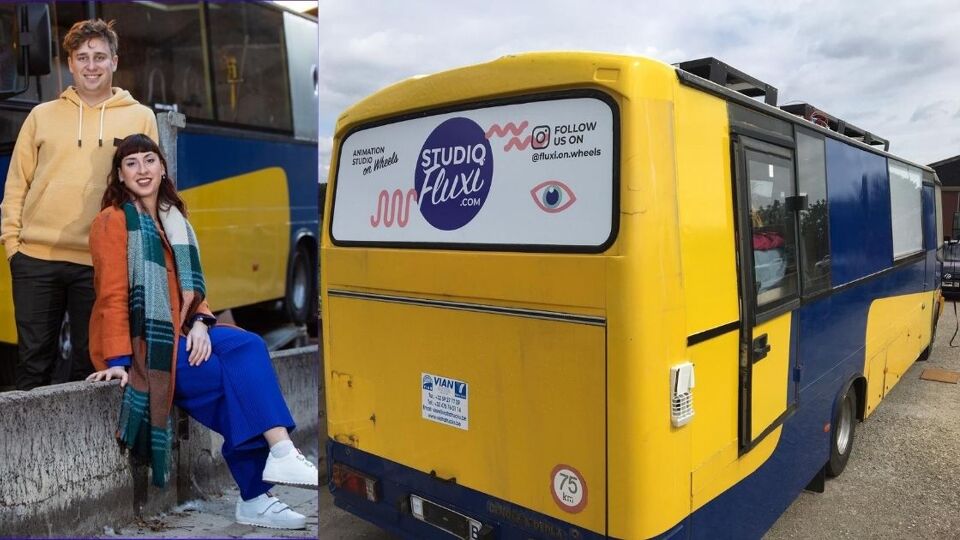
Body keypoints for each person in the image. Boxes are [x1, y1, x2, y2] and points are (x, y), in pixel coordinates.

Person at [85, 134, 317, 530]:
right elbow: (111, 295)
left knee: (248, 345)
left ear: (162, 168)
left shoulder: (175, 219)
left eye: (149, 160)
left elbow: (196, 294)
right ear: (121, 176)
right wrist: (118, 361)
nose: (142, 170)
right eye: (132, 164)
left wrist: (200, 324)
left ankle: (278, 456)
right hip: (147, 342)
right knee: (230, 384)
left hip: (181, 330)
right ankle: (258, 493)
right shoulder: (113, 221)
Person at [0, 19, 159, 390]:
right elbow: (16, 185)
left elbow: (148, 187)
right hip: (36, 258)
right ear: (69, 64)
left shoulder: (140, 117)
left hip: (102, 262)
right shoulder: (41, 116)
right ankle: (28, 448)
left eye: (99, 57)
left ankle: (80, 450)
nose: (91, 65)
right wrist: (13, 247)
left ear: (114, 62)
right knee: (32, 365)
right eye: (82, 57)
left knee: (93, 365)